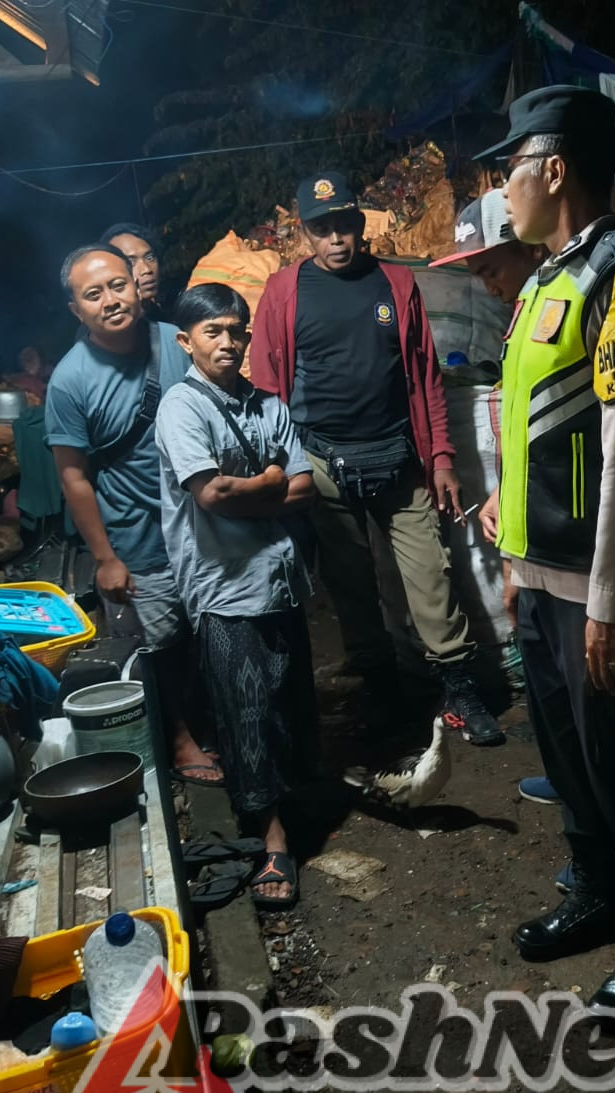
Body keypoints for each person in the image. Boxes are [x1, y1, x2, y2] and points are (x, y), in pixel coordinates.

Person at [476, 85, 615, 1013]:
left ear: (552, 167)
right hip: (543, 577)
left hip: (598, 590)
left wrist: (612, 600)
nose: (502, 192)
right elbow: (535, 430)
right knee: (568, 754)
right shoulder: (544, 279)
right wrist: (516, 557)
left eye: (509, 170)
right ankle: (596, 891)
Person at [251, 174, 503, 746]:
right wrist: (280, 466)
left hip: (397, 455)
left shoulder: (394, 282)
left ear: (360, 225)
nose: (335, 238)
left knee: (430, 575)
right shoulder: (283, 291)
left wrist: (439, 455)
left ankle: (460, 691)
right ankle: (383, 693)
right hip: (319, 460)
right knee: (349, 586)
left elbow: (423, 376)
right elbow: (268, 386)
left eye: (344, 224)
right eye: (322, 228)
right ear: (305, 233)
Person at [155, 284, 317, 908]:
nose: (228, 342)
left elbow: (304, 490)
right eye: (213, 332)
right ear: (185, 341)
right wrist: (273, 478)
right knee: (245, 711)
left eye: (236, 331)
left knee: (285, 701)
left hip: (278, 576)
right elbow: (210, 495)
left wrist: (267, 483)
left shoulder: (268, 404)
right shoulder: (181, 407)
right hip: (222, 586)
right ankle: (272, 839)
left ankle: (292, 800)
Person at [45, 243, 223, 786]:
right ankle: (178, 739)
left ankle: (221, 725)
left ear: (137, 282)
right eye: (93, 295)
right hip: (139, 535)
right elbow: (74, 476)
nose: (111, 301)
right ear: (77, 310)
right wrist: (104, 558)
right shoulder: (69, 381)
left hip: (208, 525)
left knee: (213, 635)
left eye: (117, 285)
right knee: (162, 645)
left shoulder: (178, 341)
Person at [430, 192, 557, 807]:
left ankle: (598, 786)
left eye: (490, 268)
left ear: (529, 245)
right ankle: (567, 768)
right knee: (543, 647)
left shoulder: (571, 303)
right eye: (475, 273)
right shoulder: (526, 311)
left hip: (569, 522)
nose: (485, 283)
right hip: (532, 510)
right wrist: (504, 491)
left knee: (578, 660)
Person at [101, 222, 165, 320]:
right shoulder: (106, 329)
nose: (146, 270)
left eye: (150, 257)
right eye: (130, 262)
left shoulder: (160, 316)